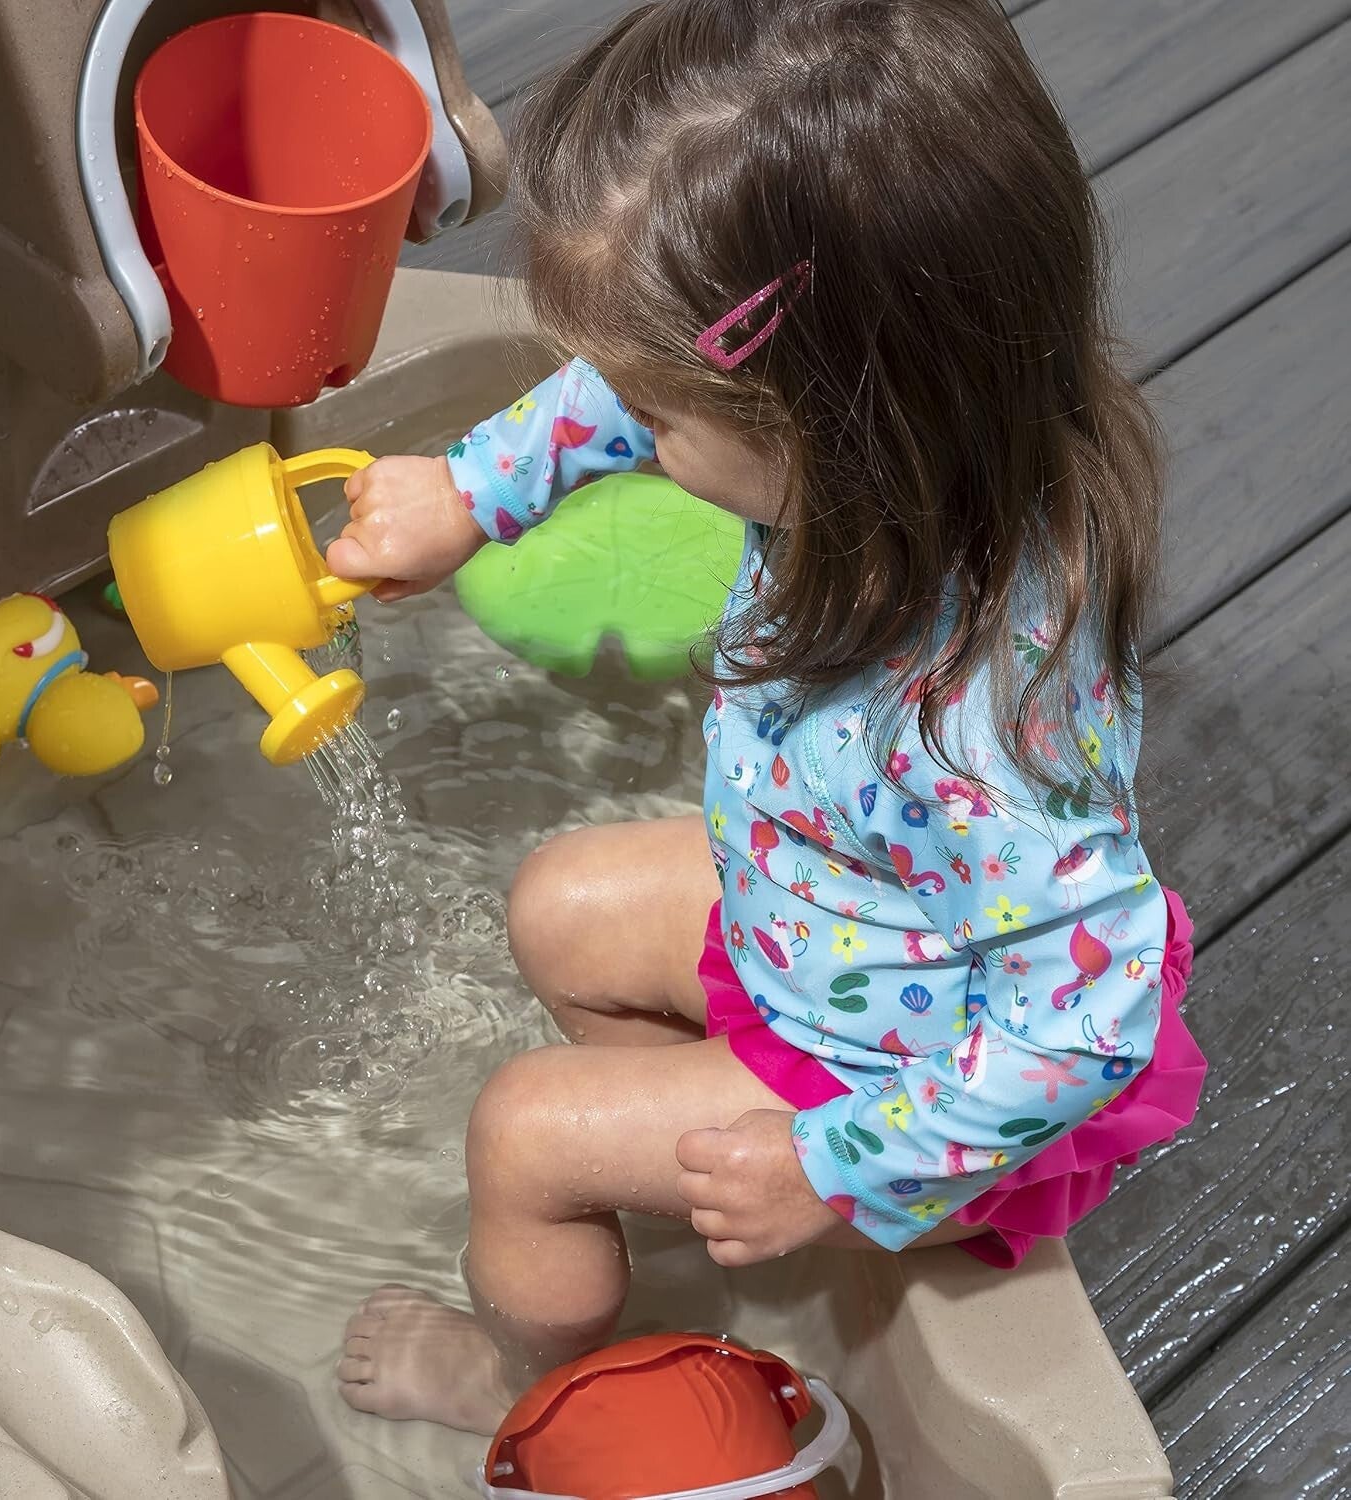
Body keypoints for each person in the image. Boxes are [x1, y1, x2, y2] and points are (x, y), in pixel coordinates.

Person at [325, 0, 1207, 1435]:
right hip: (843, 927)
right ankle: (674, 1177)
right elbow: (640, 385)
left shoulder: (979, 727)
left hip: (898, 1085)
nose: (645, 442)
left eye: (670, 420)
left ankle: (522, 1383)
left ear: (833, 417)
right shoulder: (934, 445)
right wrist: (476, 494)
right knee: (560, 901)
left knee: (520, 1134)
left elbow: (1090, 1019)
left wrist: (834, 1166)